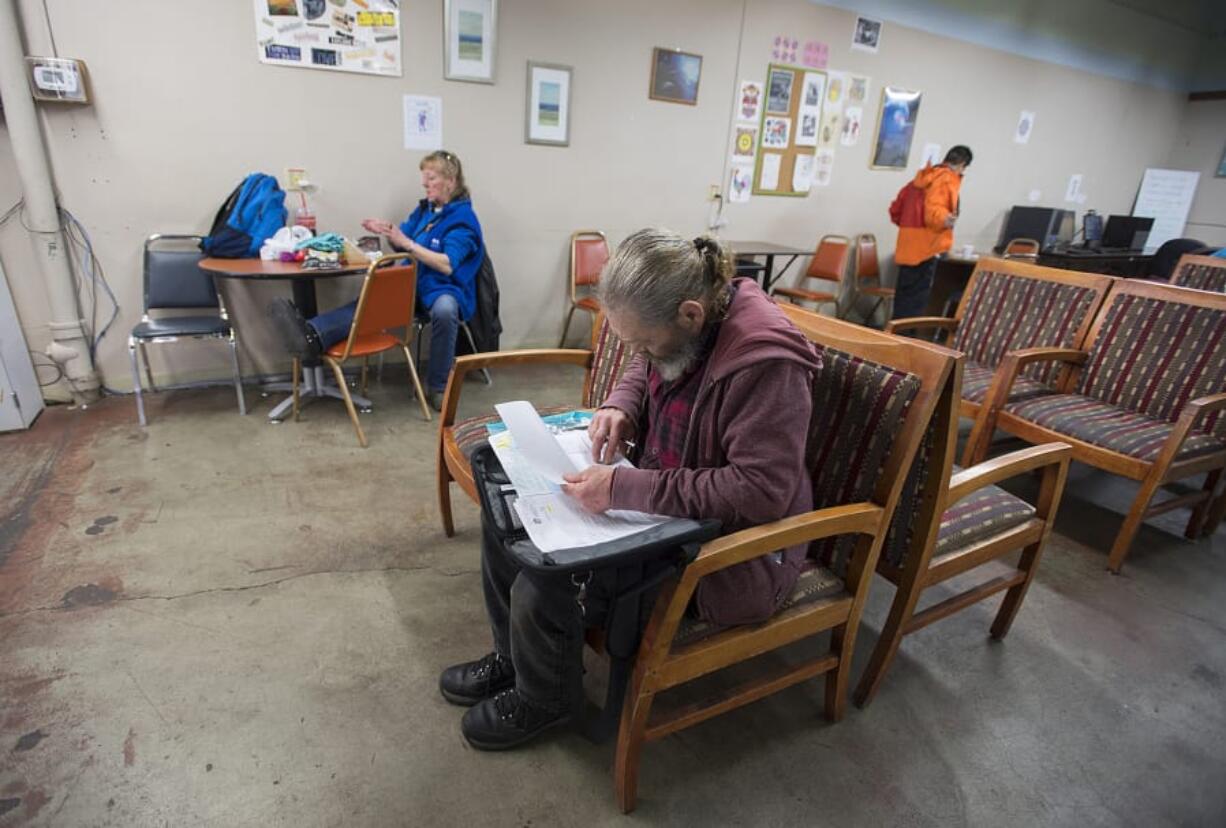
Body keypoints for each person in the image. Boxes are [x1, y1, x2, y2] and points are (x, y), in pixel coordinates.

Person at [440, 228, 822, 750]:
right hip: (665, 496)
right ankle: (515, 659)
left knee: (542, 575)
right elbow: (643, 363)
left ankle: (547, 699)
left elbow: (760, 491)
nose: (636, 351)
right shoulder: (692, 312)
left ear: (690, 315)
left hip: (728, 546)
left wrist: (624, 487)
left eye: (642, 339)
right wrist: (620, 403)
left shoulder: (768, 365)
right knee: (507, 512)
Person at [269, 150, 484, 411]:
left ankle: (438, 387)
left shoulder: (463, 221)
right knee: (373, 301)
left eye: (430, 178)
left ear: (450, 181)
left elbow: (447, 264)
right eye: (424, 179)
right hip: (414, 283)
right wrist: (389, 232)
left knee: (446, 311)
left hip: (444, 289)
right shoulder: (425, 210)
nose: (424, 184)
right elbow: (403, 240)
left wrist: (406, 243)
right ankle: (312, 334)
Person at [890, 145, 972, 321]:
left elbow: (895, 211)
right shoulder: (945, 179)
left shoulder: (917, 181)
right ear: (962, 164)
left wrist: (909, 228)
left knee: (902, 301)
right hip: (927, 249)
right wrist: (947, 220)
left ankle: (892, 340)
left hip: (907, 247)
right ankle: (908, 345)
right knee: (916, 306)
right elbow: (935, 215)